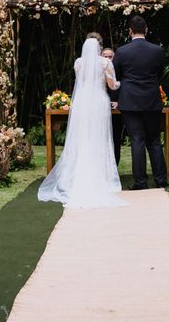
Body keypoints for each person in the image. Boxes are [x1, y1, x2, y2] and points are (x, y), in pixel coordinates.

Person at [38, 36, 126, 208]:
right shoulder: (105, 63)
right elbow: (112, 85)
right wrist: (122, 83)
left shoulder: (79, 63)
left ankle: (78, 174)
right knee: (99, 138)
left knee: (82, 137)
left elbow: (82, 82)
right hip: (99, 101)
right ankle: (101, 177)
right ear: (99, 49)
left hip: (82, 102)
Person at [113, 16, 168, 189]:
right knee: (154, 140)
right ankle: (160, 180)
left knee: (137, 140)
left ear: (130, 31)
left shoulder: (121, 52)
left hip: (129, 100)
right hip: (152, 99)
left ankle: (141, 182)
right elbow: (160, 73)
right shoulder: (157, 50)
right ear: (146, 30)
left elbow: (116, 76)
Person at [101, 47, 124, 165]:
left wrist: (119, 102)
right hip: (99, 113)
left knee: (115, 139)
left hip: (116, 113)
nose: (108, 59)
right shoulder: (95, 73)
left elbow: (125, 88)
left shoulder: (120, 72)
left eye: (111, 57)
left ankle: (115, 167)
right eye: (105, 56)